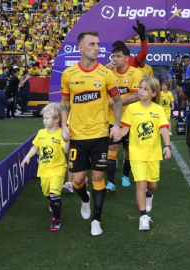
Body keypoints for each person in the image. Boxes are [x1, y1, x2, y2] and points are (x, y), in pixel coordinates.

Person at [60, 31, 122, 236]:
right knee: (77, 181)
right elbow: (65, 102)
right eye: (92, 44)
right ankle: (84, 199)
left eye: (98, 43)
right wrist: (63, 126)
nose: (97, 47)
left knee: (97, 176)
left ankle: (97, 219)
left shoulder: (106, 74)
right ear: (81, 48)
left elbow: (119, 101)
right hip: (77, 137)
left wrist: (116, 125)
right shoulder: (69, 74)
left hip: (100, 135)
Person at [120, 77, 171, 230]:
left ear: (154, 93)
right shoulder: (131, 109)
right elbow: (125, 129)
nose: (140, 91)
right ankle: (143, 216)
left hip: (154, 154)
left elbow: (163, 129)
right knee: (140, 184)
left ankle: (150, 196)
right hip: (136, 154)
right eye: (140, 88)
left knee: (152, 185)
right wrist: (117, 133)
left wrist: (167, 145)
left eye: (144, 89)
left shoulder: (158, 110)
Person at [21, 103, 70, 231]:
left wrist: (68, 140)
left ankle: (56, 220)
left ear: (56, 119)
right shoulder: (41, 132)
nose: (44, 120)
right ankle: (50, 201)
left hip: (58, 168)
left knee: (55, 194)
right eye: (44, 118)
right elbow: (35, 146)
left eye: (47, 118)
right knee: (46, 192)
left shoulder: (61, 133)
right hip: (44, 169)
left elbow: (65, 150)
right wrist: (27, 157)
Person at [104, 45, 143, 193]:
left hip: (129, 118)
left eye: (118, 56)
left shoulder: (136, 73)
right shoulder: (108, 72)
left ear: (127, 58)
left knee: (128, 149)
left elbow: (136, 96)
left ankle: (126, 175)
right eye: (113, 56)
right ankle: (110, 182)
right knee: (112, 148)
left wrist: (115, 102)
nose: (115, 59)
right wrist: (104, 71)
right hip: (111, 118)